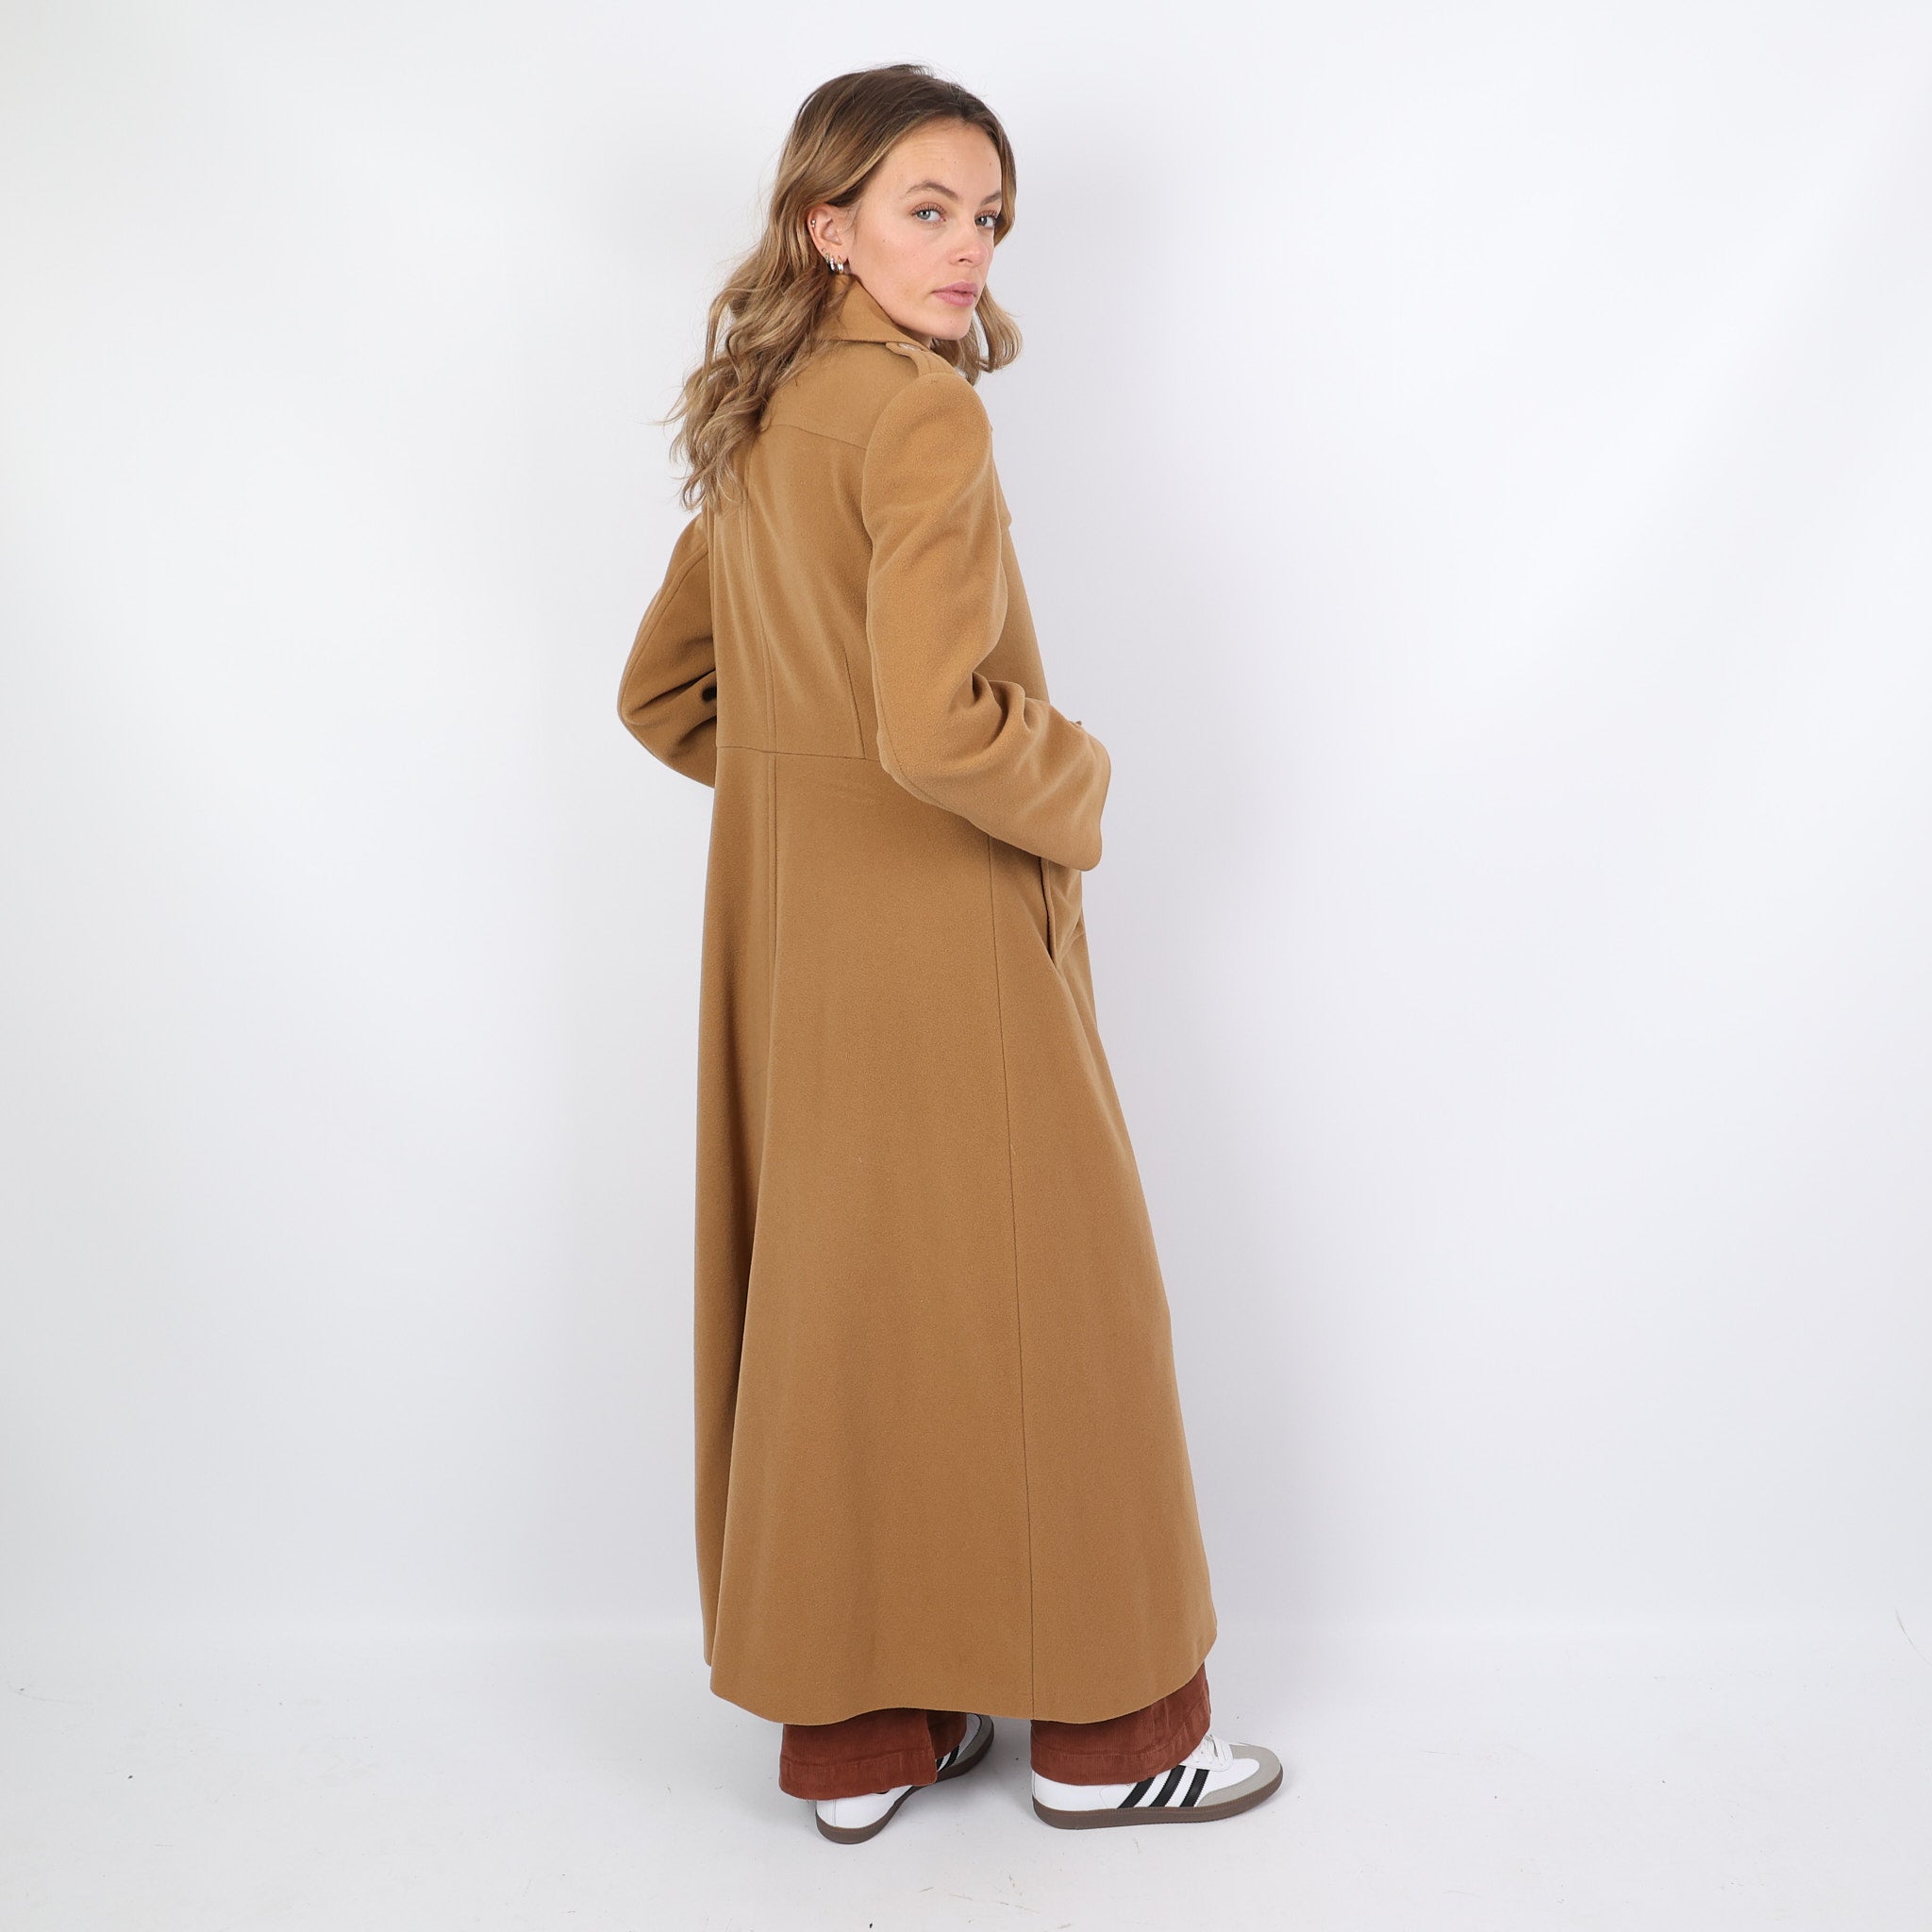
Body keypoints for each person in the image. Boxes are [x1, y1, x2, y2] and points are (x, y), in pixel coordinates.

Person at [616, 62, 1281, 1843]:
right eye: (929, 208)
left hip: (796, 958)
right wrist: (1082, 781)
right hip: (951, 937)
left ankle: (863, 1743)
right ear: (827, 225)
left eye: (988, 216)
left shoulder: (762, 416)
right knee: (1071, 1318)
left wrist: (802, 807)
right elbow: (939, 725)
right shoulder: (923, 422)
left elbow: (665, 696)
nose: (969, 245)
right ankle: (1112, 1736)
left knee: (845, 1317)